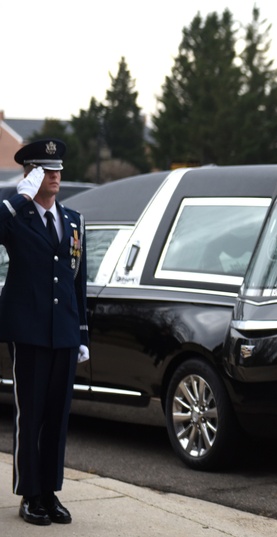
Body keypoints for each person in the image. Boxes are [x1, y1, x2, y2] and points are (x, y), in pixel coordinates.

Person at [2, 139, 88, 526]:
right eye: (45, 169)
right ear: (29, 173)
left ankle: (50, 492)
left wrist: (82, 334)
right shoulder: (16, 216)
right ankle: (29, 494)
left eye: (57, 169)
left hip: (65, 332)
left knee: (57, 416)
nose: (55, 175)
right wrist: (18, 198)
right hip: (30, 331)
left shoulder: (73, 220)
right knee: (31, 415)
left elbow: (77, 281)